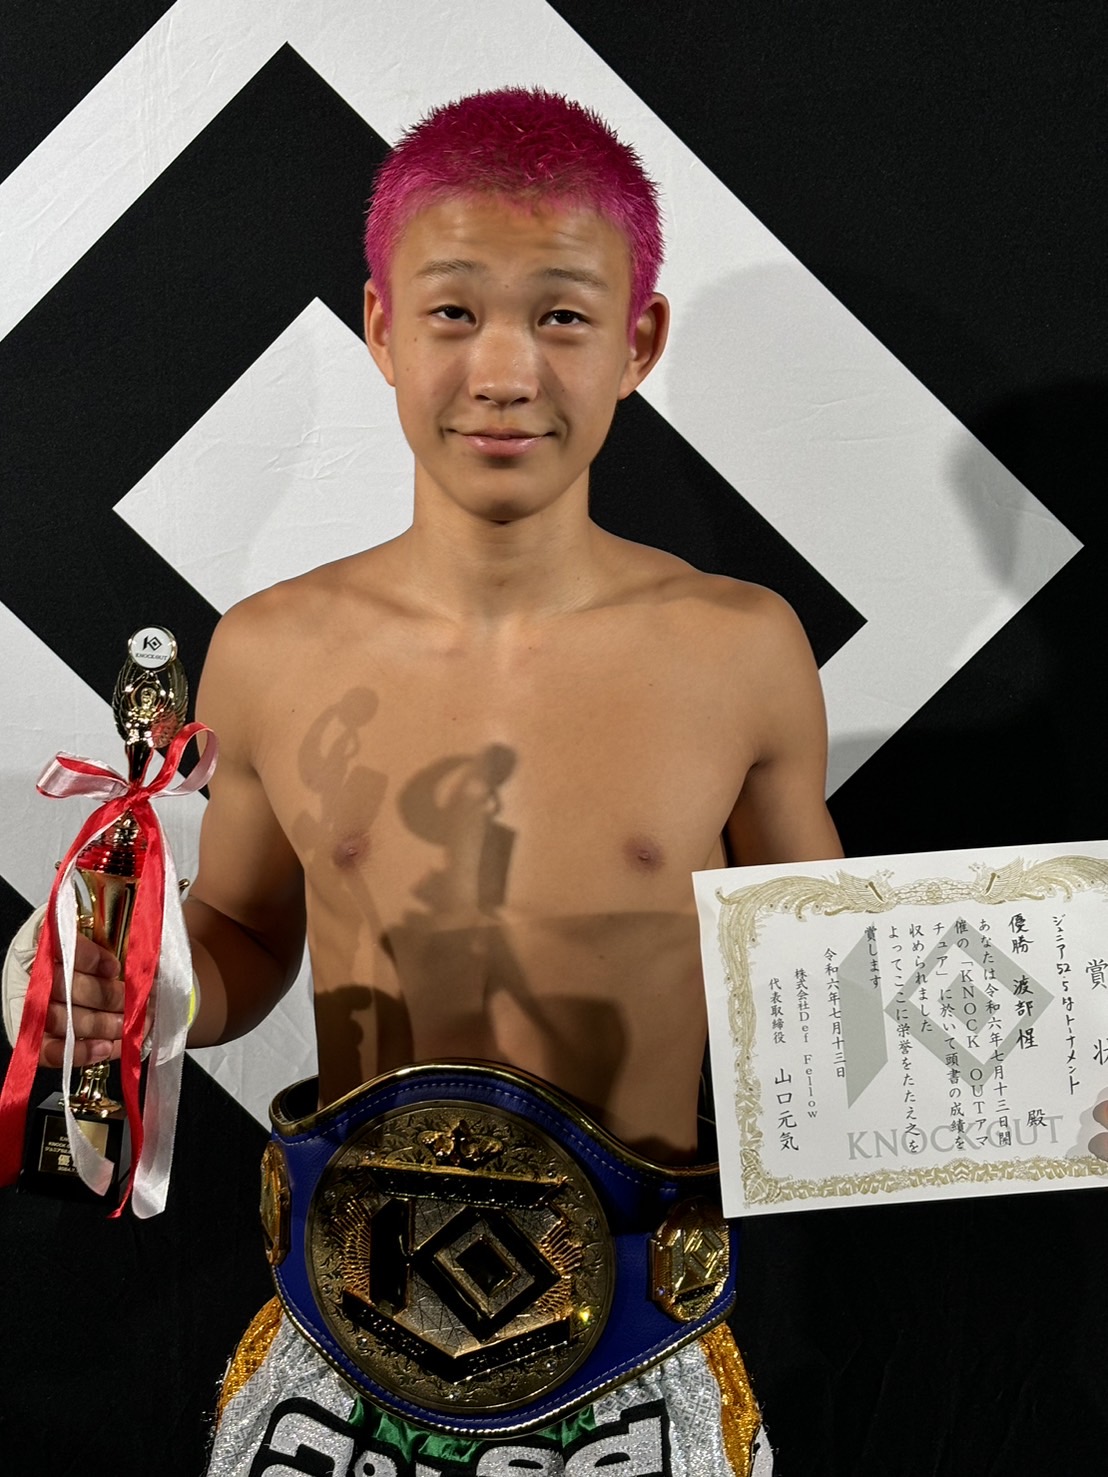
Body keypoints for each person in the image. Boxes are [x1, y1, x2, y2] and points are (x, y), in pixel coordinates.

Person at [14, 88, 842, 1475]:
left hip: (640, 1350)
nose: (505, 371)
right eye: (454, 312)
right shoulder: (272, 649)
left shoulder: (741, 649)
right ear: (381, 327)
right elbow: (243, 934)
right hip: (343, 1358)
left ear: (639, 342)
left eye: (562, 316)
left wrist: (1047, 1078)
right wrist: (133, 982)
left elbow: (834, 992)